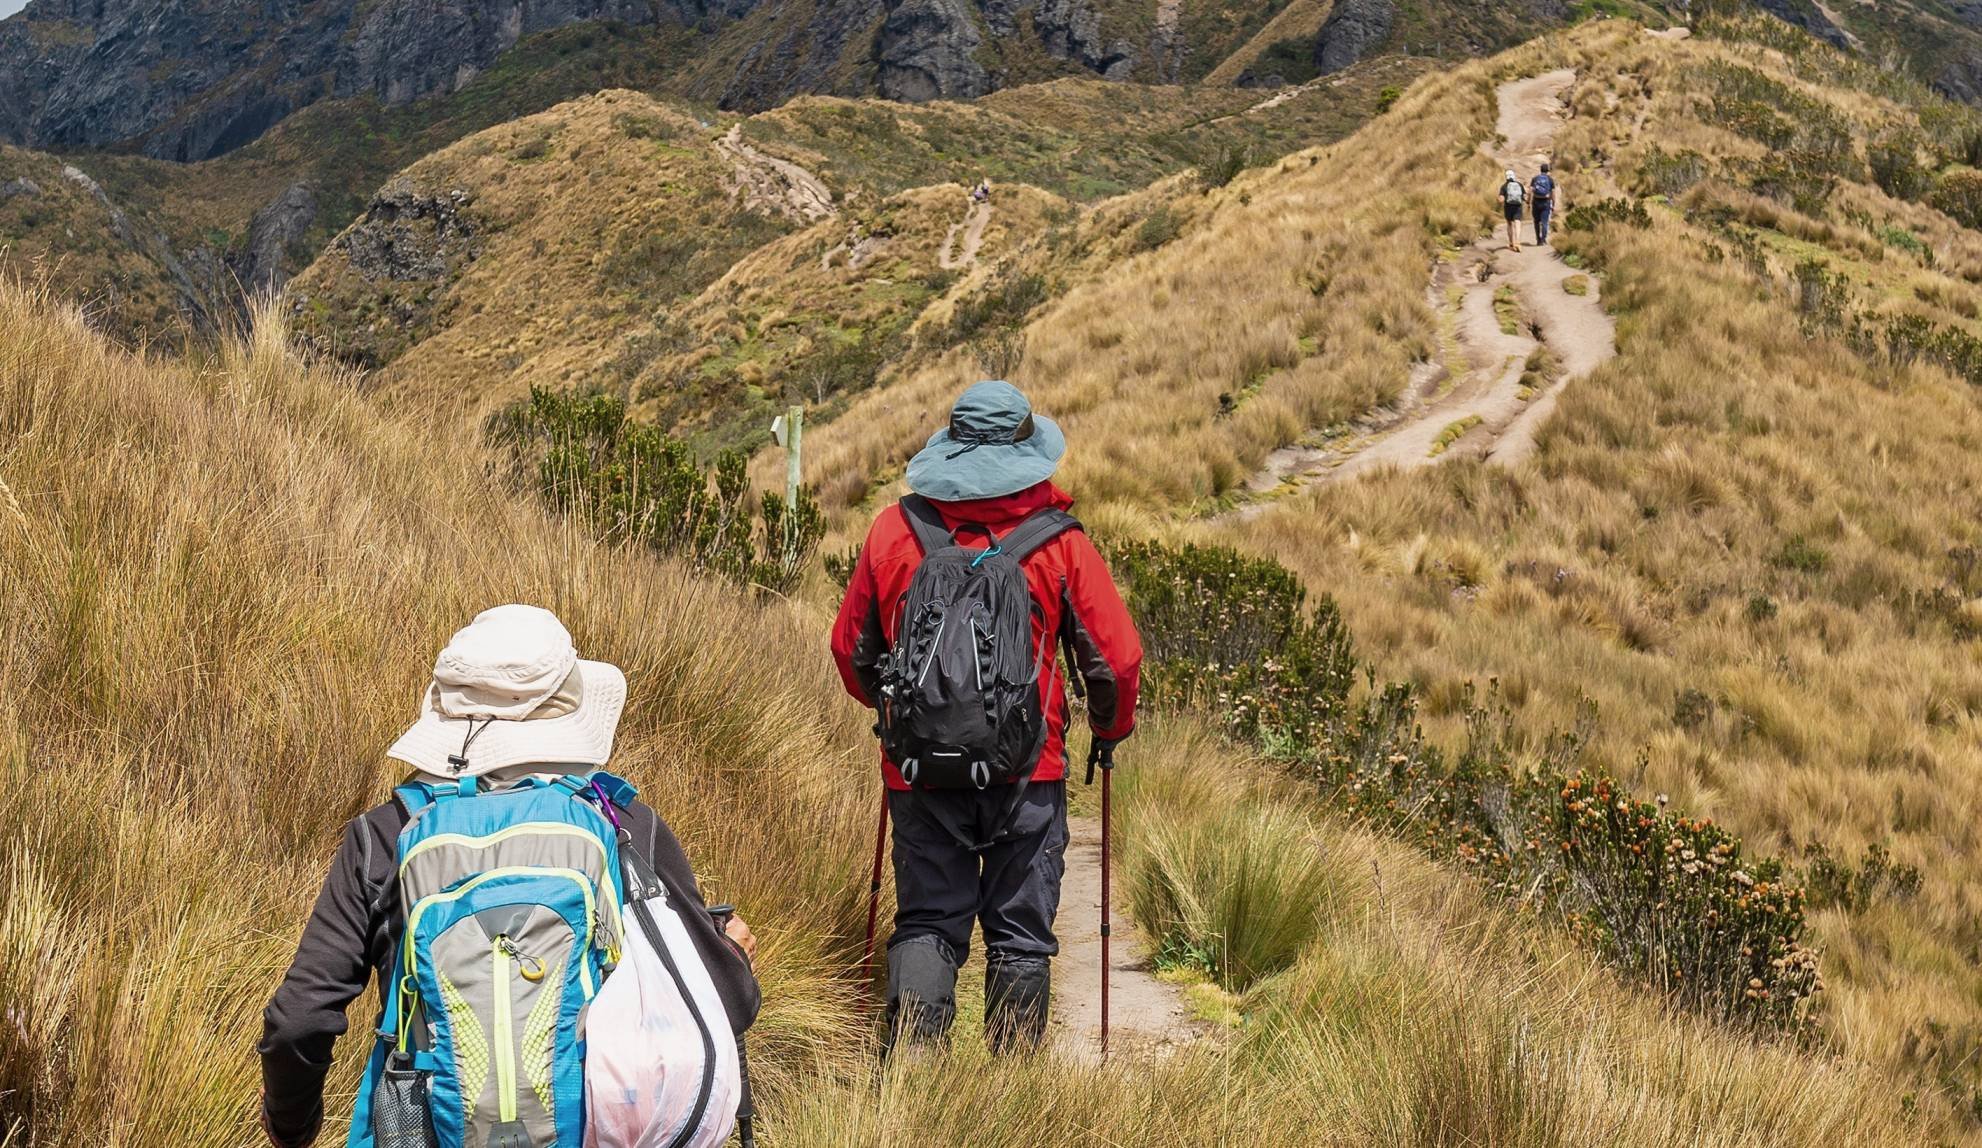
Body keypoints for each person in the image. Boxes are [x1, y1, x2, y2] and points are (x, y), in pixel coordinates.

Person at [258, 605, 760, 1148]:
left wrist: (292, 1127)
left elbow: (300, 1021)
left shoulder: (385, 835)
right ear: (564, 715)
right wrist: (732, 955)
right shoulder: (622, 826)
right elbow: (726, 1006)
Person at [831, 380, 1142, 1054]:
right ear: (1026, 454)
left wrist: (899, 718)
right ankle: (1007, 1098)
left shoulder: (893, 530)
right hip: (1030, 771)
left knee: (927, 922)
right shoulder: (1061, 544)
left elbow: (850, 647)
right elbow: (1115, 660)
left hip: (919, 772)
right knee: (1020, 935)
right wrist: (1110, 732)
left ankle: (912, 1087)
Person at [1530, 161, 1557, 246]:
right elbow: (1553, 193)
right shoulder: (1550, 179)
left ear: (1540, 170)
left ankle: (1538, 239)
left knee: (1536, 222)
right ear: (1547, 170)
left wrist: (1529, 202)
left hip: (1536, 202)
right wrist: (1553, 203)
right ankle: (1543, 239)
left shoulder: (1535, 178)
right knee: (1544, 222)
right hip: (1546, 202)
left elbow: (1530, 191)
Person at [1498, 167, 1525, 252]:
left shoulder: (1504, 186)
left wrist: (1498, 199)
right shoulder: (1519, 185)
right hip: (1518, 206)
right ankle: (1518, 242)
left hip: (1508, 207)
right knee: (1517, 223)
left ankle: (1511, 243)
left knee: (1509, 224)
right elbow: (1524, 197)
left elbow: (1501, 199)